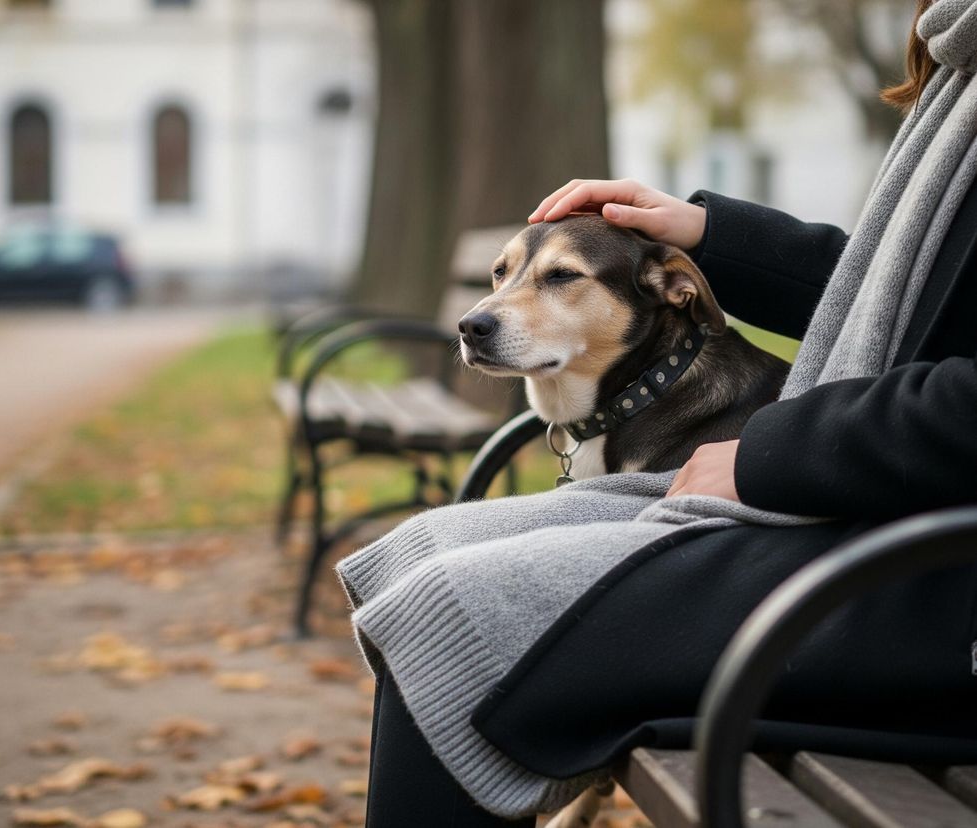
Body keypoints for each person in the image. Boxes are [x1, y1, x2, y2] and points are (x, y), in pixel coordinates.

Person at [342, 1, 977, 824]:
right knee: (420, 551)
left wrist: (771, 451)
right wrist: (713, 234)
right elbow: (926, 299)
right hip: (892, 505)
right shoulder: (960, 44)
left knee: (452, 607)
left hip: (932, 574)